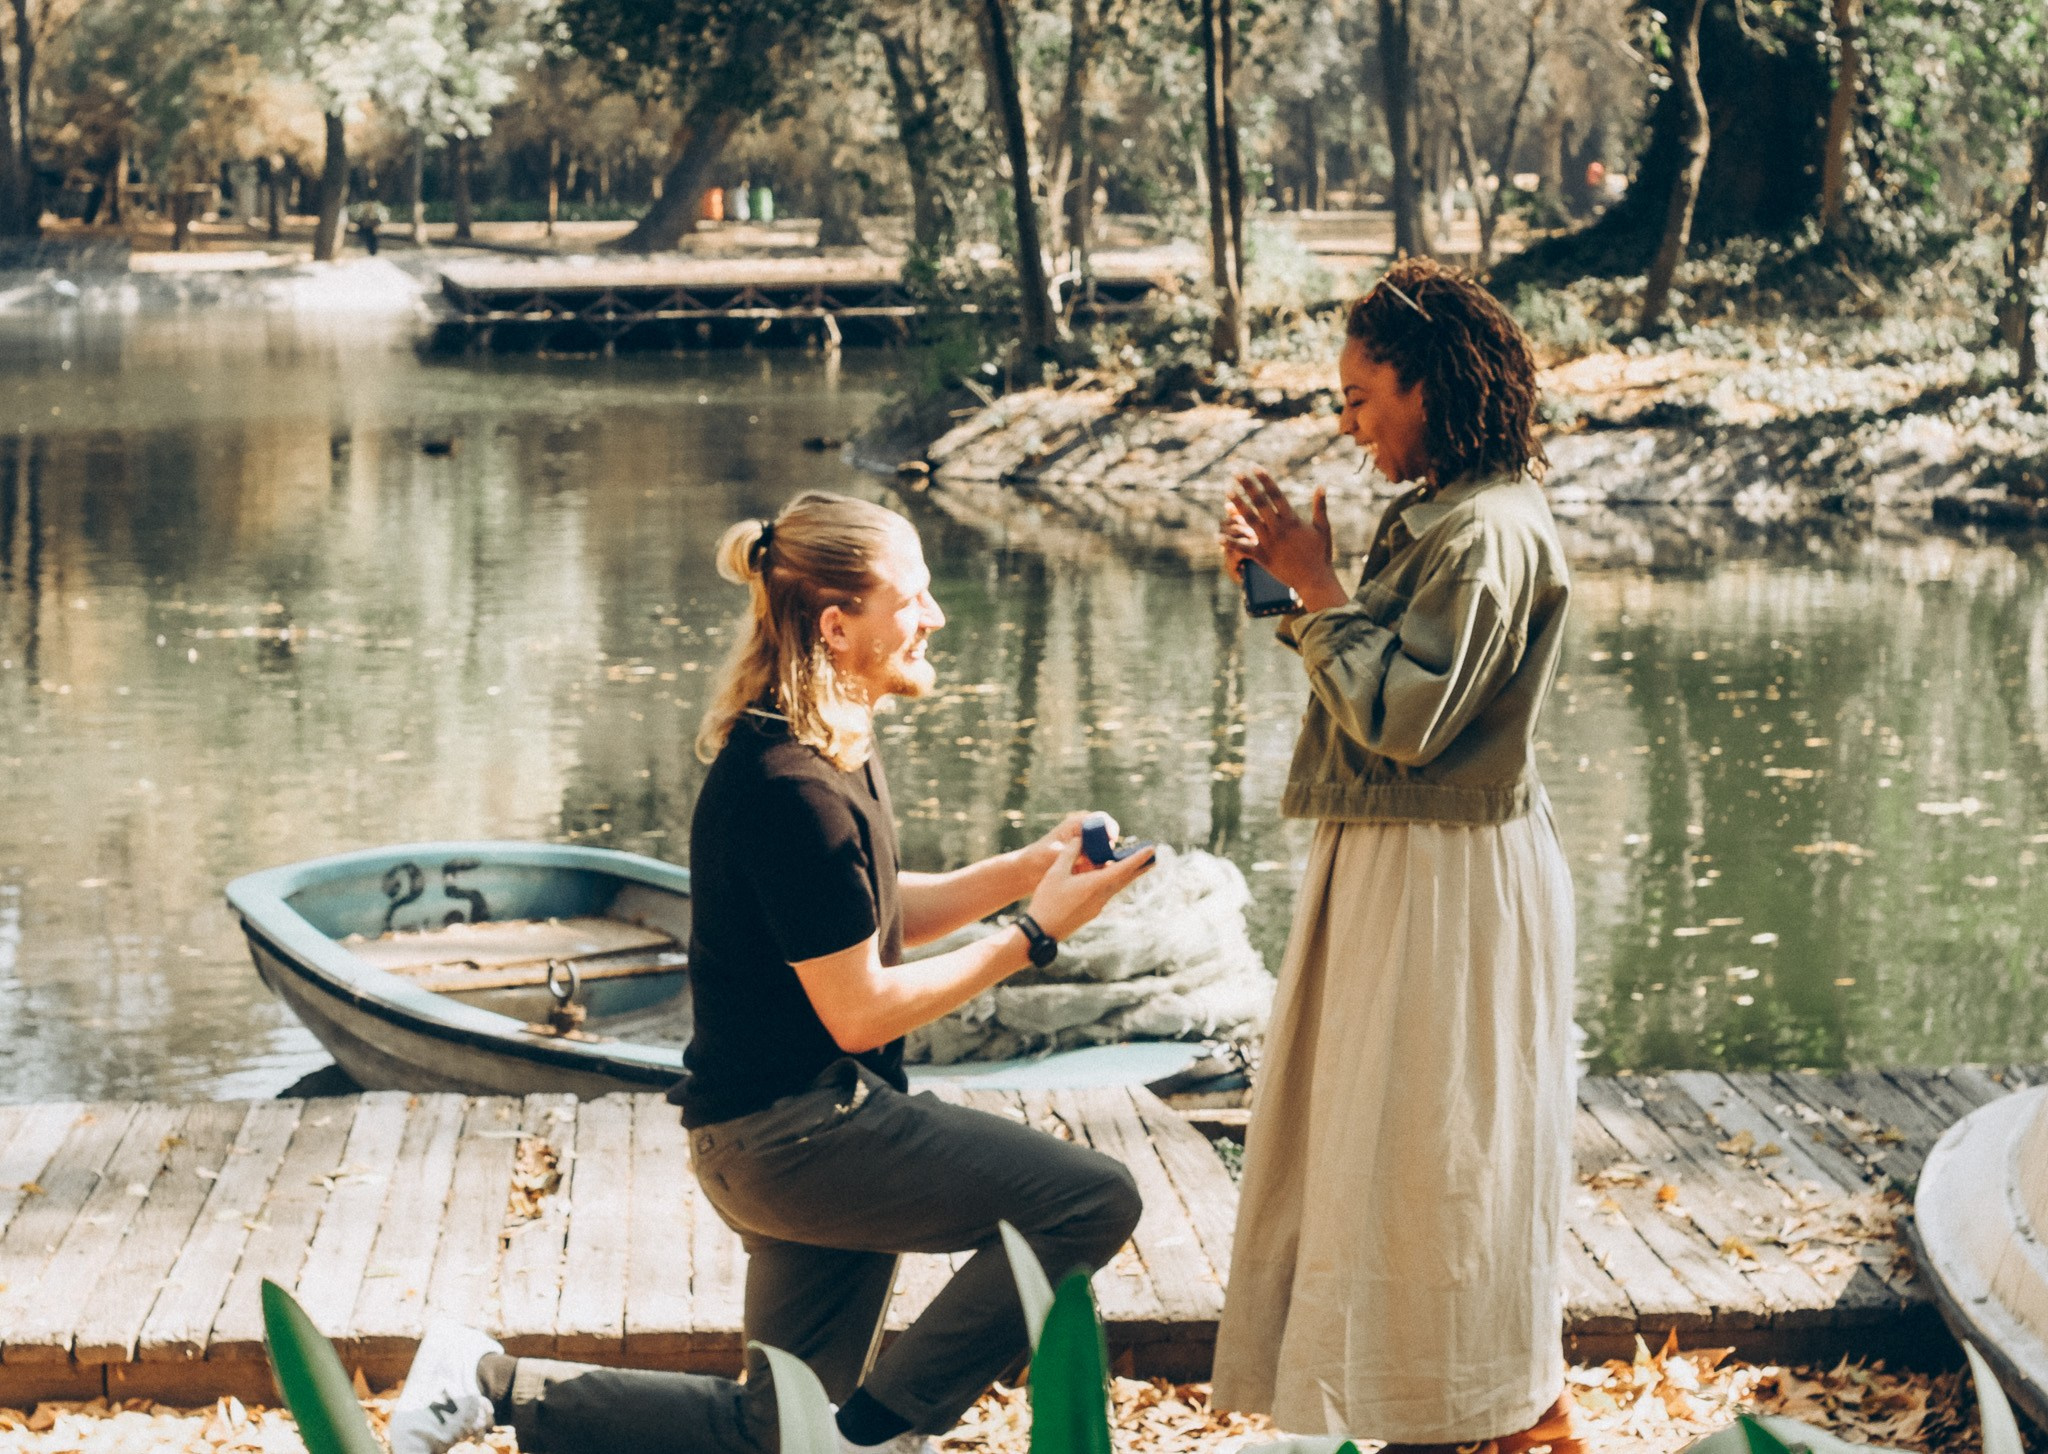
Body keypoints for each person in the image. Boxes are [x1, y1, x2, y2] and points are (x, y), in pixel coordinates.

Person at [389, 491, 1153, 1454]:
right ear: (839, 627)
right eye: (912, 598)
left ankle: (487, 1381)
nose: (935, 616)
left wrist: (1022, 872)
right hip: (804, 1138)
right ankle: (878, 1433)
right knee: (1092, 1199)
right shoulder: (794, 786)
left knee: (776, 1432)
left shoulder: (820, 751)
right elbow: (860, 1009)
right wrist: (1032, 937)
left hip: (790, 1130)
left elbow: (867, 915)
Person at [1211, 257, 1582, 1454]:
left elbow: (1410, 722)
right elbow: (1378, 687)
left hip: (1446, 878)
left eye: (1361, 393)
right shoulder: (1440, 512)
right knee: (1380, 1141)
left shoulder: (1484, 532)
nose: (1348, 420)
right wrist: (1293, 598)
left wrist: (1317, 590)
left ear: (1426, 383)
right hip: (1402, 863)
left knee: (1431, 1146)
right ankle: (1432, 1402)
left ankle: (1495, 1412)